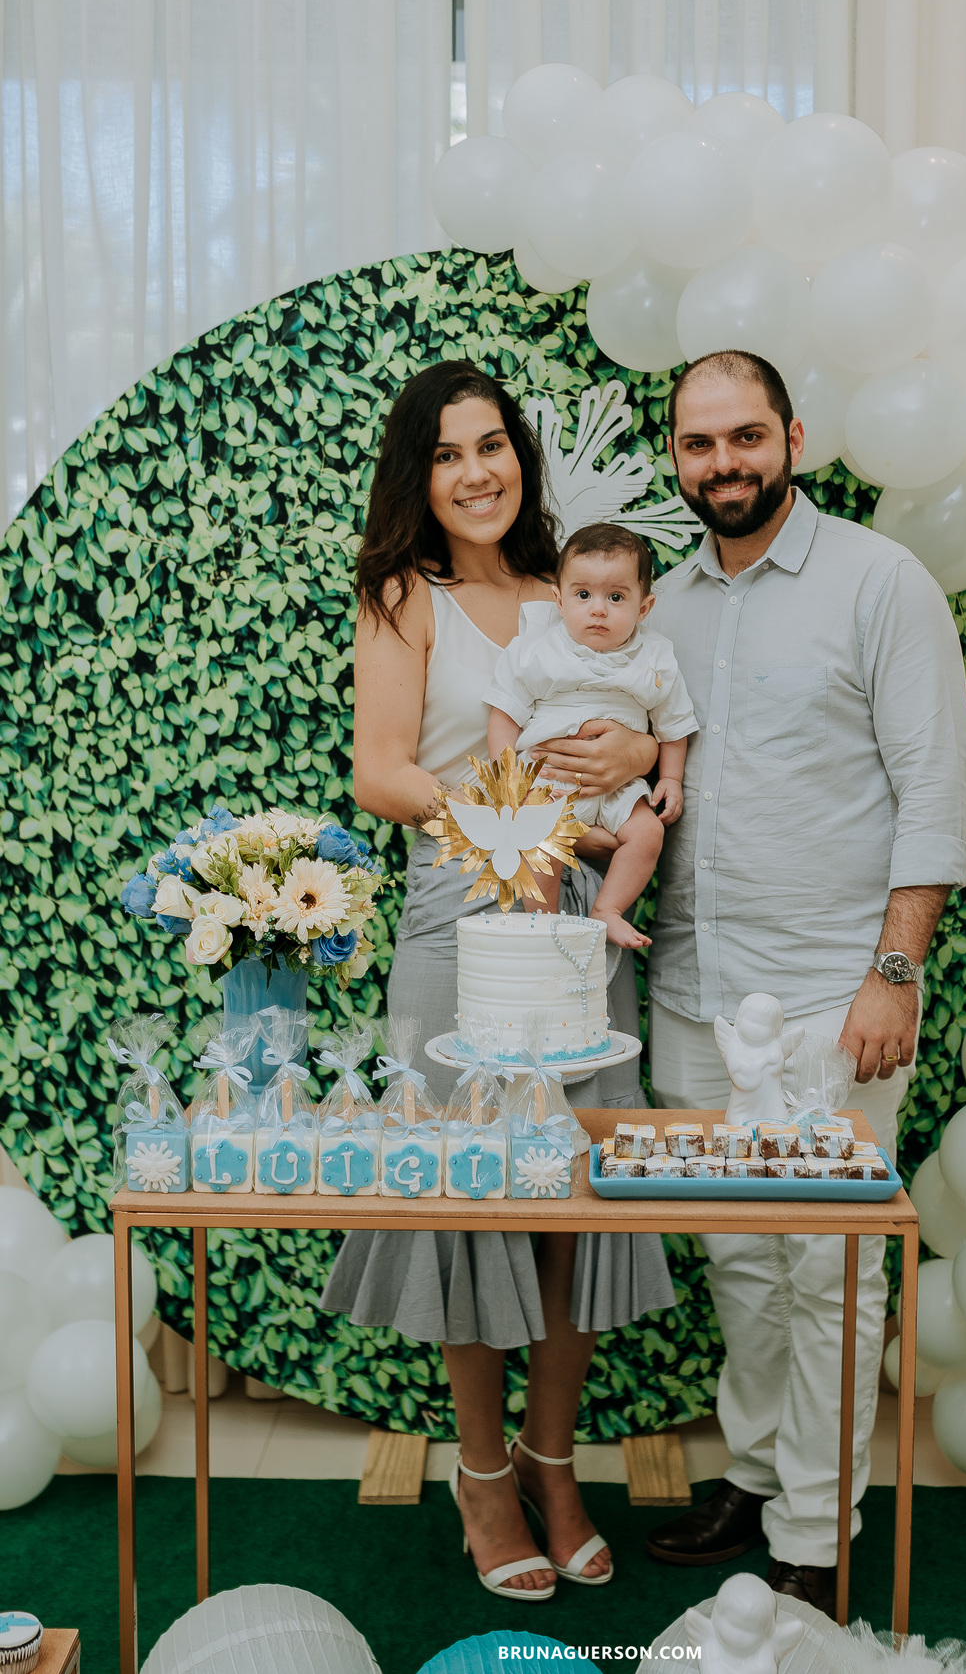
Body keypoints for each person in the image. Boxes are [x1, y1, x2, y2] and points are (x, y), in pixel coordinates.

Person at [320, 359, 676, 1601]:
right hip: (459, 911)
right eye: (448, 452)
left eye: (494, 445)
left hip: (585, 914)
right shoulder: (400, 595)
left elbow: (649, 729)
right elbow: (379, 771)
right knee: (473, 1196)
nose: (477, 471)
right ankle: (481, 1474)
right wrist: (504, 823)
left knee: (572, 1196)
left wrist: (640, 757)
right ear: (419, 476)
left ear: (521, 456)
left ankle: (555, 1459)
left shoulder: (565, 589)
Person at [643, 349, 966, 1615]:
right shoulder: (660, 602)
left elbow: (936, 791)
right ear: (675, 456)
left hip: (836, 999)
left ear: (792, 435)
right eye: (698, 443)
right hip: (692, 991)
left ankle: (818, 1530)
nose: (722, 462)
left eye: (744, 436)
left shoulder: (879, 582)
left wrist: (894, 973)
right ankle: (757, 1474)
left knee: (829, 1269)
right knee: (738, 1256)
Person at [485, 521, 698, 946]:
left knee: (648, 832)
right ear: (559, 600)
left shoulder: (655, 657)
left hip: (620, 787)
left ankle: (608, 907)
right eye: (583, 595)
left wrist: (671, 779)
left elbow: (674, 724)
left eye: (616, 597)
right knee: (535, 837)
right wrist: (509, 781)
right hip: (548, 781)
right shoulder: (535, 651)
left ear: (644, 607)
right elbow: (504, 714)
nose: (598, 609)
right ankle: (542, 924)